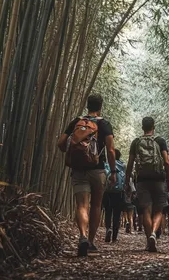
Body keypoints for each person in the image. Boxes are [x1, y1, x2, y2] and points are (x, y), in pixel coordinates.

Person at [57, 94, 116, 256]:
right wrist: (113, 171)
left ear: (87, 105)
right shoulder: (104, 124)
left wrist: (70, 153)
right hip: (98, 170)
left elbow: (61, 143)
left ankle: (82, 236)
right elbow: (111, 150)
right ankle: (90, 241)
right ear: (100, 106)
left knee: (82, 205)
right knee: (96, 206)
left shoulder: (77, 121)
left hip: (79, 170)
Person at [125, 117, 169, 252]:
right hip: (158, 178)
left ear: (142, 127)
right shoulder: (160, 141)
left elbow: (130, 163)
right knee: (158, 210)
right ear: (154, 126)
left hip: (142, 179)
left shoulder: (136, 142)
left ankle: (148, 240)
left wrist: (127, 181)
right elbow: (167, 162)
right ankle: (153, 234)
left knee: (146, 210)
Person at [103, 149, 125, 243]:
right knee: (117, 214)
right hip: (119, 192)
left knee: (108, 211)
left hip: (108, 191)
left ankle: (108, 228)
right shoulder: (123, 165)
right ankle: (115, 236)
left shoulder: (106, 165)